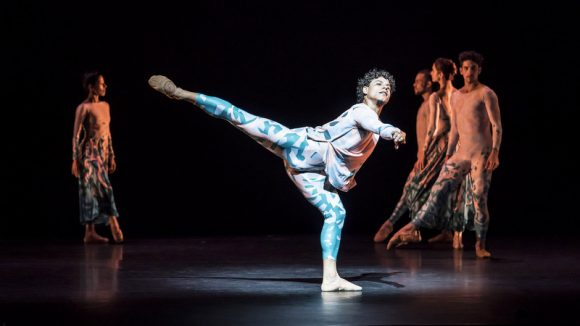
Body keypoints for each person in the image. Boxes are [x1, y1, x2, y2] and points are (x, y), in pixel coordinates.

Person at [148, 68, 407, 291]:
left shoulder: (372, 134)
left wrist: (340, 181)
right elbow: (377, 126)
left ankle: (330, 278)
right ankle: (181, 93)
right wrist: (393, 131)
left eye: (388, 86)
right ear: (365, 90)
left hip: (309, 174)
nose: (384, 87)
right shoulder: (361, 111)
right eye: (378, 83)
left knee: (336, 213)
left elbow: (351, 160)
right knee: (240, 117)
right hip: (301, 146)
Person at [387, 51, 502, 258]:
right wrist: (449, 155)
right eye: (465, 68)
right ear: (462, 70)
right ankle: (409, 228)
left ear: (479, 70)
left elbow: (497, 126)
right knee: (437, 193)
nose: (468, 72)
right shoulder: (457, 96)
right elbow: (455, 130)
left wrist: (495, 151)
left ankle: (480, 245)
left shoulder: (486, 93)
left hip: (481, 154)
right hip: (461, 153)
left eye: (473, 68)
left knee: (479, 198)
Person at [373, 69, 433, 243]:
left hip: (432, 156)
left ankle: (394, 223)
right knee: (415, 190)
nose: (414, 84)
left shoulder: (433, 103)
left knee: (415, 189)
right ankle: (401, 226)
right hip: (424, 156)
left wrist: (428, 155)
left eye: (418, 81)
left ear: (429, 83)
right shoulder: (424, 105)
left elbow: (436, 132)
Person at [72, 72, 124, 244]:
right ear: (91, 87)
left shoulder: (105, 106)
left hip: (102, 154)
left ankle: (90, 232)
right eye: (101, 84)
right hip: (88, 154)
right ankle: (113, 225)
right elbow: (76, 135)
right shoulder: (83, 108)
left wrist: (112, 156)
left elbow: (107, 133)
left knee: (97, 190)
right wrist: (74, 160)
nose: (105, 86)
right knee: (96, 189)